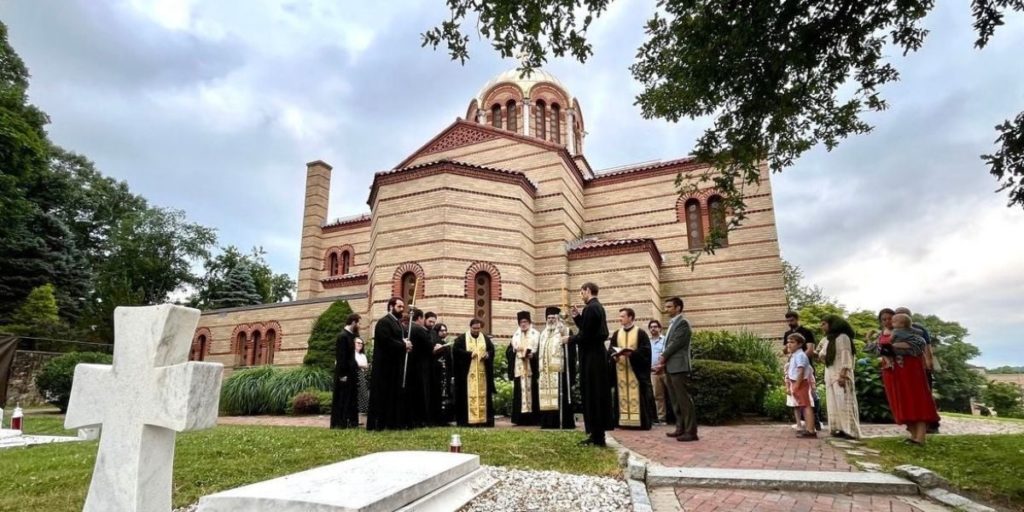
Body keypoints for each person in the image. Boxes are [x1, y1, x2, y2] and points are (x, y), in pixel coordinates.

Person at [867, 312, 940, 445]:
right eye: (883, 319)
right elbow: (877, 350)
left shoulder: (910, 332)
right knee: (900, 401)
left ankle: (920, 437)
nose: (887, 321)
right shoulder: (881, 334)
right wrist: (872, 343)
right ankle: (913, 435)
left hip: (910, 369)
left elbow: (919, 346)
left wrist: (894, 347)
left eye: (890, 318)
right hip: (891, 371)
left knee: (916, 400)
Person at [569, 282, 613, 447]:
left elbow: (586, 335)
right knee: (595, 394)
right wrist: (577, 317)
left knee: (593, 394)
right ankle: (596, 434)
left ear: (587, 290)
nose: (581, 295)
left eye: (581, 292)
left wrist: (569, 339)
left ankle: (597, 436)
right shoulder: (596, 307)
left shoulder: (591, 308)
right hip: (596, 356)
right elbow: (589, 330)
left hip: (592, 358)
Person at [655, 297, 698, 442]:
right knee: (675, 400)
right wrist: (663, 363)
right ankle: (680, 428)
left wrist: (662, 357)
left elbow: (675, 344)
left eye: (669, 307)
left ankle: (691, 432)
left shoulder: (683, 323)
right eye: (666, 307)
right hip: (670, 367)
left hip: (679, 367)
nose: (666, 309)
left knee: (683, 400)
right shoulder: (672, 324)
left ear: (678, 308)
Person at [367, 297, 413, 431]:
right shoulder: (384, 322)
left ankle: (391, 422)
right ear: (391, 307)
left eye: (402, 307)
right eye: (399, 307)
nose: (402, 309)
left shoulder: (397, 323)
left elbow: (396, 339)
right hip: (384, 366)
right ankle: (379, 424)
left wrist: (405, 342)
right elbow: (386, 341)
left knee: (392, 394)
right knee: (382, 394)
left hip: (394, 365)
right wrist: (403, 345)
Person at [894, 306, 940, 434]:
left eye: (902, 315)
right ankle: (914, 424)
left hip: (919, 365)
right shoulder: (895, 330)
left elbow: (927, 346)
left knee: (926, 394)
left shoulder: (918, 329)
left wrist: (929, 362)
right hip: (904, 367)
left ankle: (932, 424)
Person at [609, 308, 654, 430]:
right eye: (620, 316)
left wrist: (632, 354)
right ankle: (622, 422)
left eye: (622, 316)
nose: (620, 319)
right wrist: (614, 356)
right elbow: (611, 349)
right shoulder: (617, 333)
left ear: (630, 317)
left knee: (639, 396)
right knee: (621, 395)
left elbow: (646, 351)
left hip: (636, 372)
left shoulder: (640, 333)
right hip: (621, 371)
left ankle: (641, 423)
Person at [818, 315, 862, 439]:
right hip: (830, 372)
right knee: (833, 402)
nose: (821, 326)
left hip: (841, 373)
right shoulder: (827, 339)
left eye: (824, 324)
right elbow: (822, 355)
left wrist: (843, 374)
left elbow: (846, 355)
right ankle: (839, 428)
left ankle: (850, 430)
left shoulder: (843, 337)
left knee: (844, 401)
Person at [537, 307, 576, 429]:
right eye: (548, 318)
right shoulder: (543, 334)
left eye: (553, 318)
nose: (551, 320)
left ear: (558, 318)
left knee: (560, 397)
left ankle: (563, 422)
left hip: (560, 372)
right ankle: (547, 422)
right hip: (545, 372)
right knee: (545, 397)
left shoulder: (565, 331)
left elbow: (572, 353)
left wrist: (570, 368)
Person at [452, 319, 496, 427]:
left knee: (484, 396)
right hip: (466, 375)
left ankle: (484, 421)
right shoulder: (462, 339)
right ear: (470, 327)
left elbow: (491, 350)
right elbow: (456, 351)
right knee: (465, 397)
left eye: (478, 328)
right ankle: (467, 421)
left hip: (482, 375)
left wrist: (487, 355)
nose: (476, 330)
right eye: (474, 328)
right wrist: (469, 354)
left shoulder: (485, 339)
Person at [784, 311, 823, 430]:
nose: (790, 323)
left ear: (797, 319)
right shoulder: (787, 334)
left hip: (805, 368)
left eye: (792, 320)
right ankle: (803, 423)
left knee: (811, 395)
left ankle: (815, 421)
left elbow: (810, 350)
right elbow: (785, 350)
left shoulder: (806, 332)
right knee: (798, 399)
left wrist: (800, 359)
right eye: (787, 321)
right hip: (793, 368)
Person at [507, 311, 540, 426]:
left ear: (529, 322)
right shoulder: (515, 336)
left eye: (525, 321)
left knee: (533, 393)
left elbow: (540, 351)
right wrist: (514, 350)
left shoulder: (536, 335)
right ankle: (520, 419)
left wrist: (533, 356)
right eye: (521, 322)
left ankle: (533, 419)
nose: (523, 324)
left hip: (531, 368)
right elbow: (508, 352)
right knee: (519, 394)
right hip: (519, 369)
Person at [331, 313, 361, 429]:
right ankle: (341, 422)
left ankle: (351, 422)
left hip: (351, 372)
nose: (359, 325)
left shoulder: (352, 336)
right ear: (353, 322)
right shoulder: (342, 336)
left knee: (351, 398)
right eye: (358, 323)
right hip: (344, 373)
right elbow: (341, 357)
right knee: (343, 398)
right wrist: (343, 375)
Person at [407, 308, 434, 427]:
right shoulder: (419, 329)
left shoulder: (407, 328)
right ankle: (421, 420)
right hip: (421, 365)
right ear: (420, 318)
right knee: (422, 393)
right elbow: (429, 347)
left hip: (410, 365)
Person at [786, 333, 817, 438]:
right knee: (803, 405)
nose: (789, 344)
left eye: (792, 342)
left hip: (800, 383)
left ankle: (811, 430)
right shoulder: (795, 355)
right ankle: (809, 429)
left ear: (799, 344)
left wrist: (797, 385)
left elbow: (801, 370)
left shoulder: (800, 355)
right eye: (788, 342)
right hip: (796, 382)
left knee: (806, 405)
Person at [648, 320, 673, 425]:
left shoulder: (665, 340)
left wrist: (662, 366)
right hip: (653, 372)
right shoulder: (648, 342)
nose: (653, 329)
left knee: (673, 394)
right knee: (658, 396)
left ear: (660, 328)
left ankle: (678, 418)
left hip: (665, 371)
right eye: (651, 327)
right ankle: (661, 419)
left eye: (655, 327)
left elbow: (669, 354)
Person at [429, 321, 454, 426]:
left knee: (445, 395)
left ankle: (445, 419)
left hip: (446, 373)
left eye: (445, 330)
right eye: (441, 330)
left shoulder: (445, 343)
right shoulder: (434, 342)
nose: (444, 332)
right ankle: (437, 419)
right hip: (437, 373)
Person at [354, 337, 370, 419]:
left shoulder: (363, 355)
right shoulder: (350, 353)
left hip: (361, 376)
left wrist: (356, 365)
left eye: (361, 343)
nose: (360, 344)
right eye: (358, 343)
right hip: (352, 376)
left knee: (362, 394)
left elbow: (366, 366)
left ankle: (360, 415)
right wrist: (359, 365)